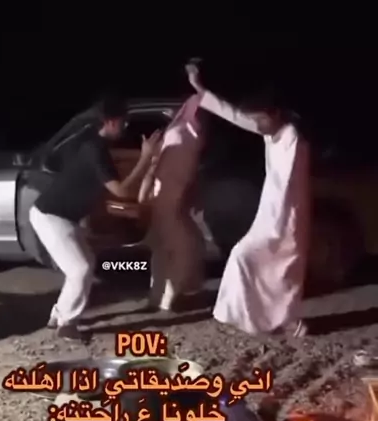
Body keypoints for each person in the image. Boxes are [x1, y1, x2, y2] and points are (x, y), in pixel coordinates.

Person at [186, 62, 310, 337]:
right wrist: (202, 91)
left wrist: (272, 229)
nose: (257, 126)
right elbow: (237, 117)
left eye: (260, 120)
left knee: (277, 270)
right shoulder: (272, 129)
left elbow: (286, 188)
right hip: (271, 213)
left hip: (285, 217)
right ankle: (248, 318)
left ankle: (288, 322)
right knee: (248, 261)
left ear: (275, 113)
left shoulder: (292, 138)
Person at [29, 95, 161, 341]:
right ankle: (67, 324)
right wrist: (145, 158)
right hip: (51, 216)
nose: (126, 126)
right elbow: (120, 191)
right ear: (110, 122)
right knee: (80, 269)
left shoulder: (94, 143)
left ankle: (58, 315)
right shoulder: (95, 149)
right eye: (123, 122)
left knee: (85, 264)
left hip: (63, 217)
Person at [139, 94, 207, 311]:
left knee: (163, 251)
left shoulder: (178, 133)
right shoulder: (186, 136)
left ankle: (157, 298)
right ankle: (168, 299)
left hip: (162, 201)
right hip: (169, 204)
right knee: (187, 249)